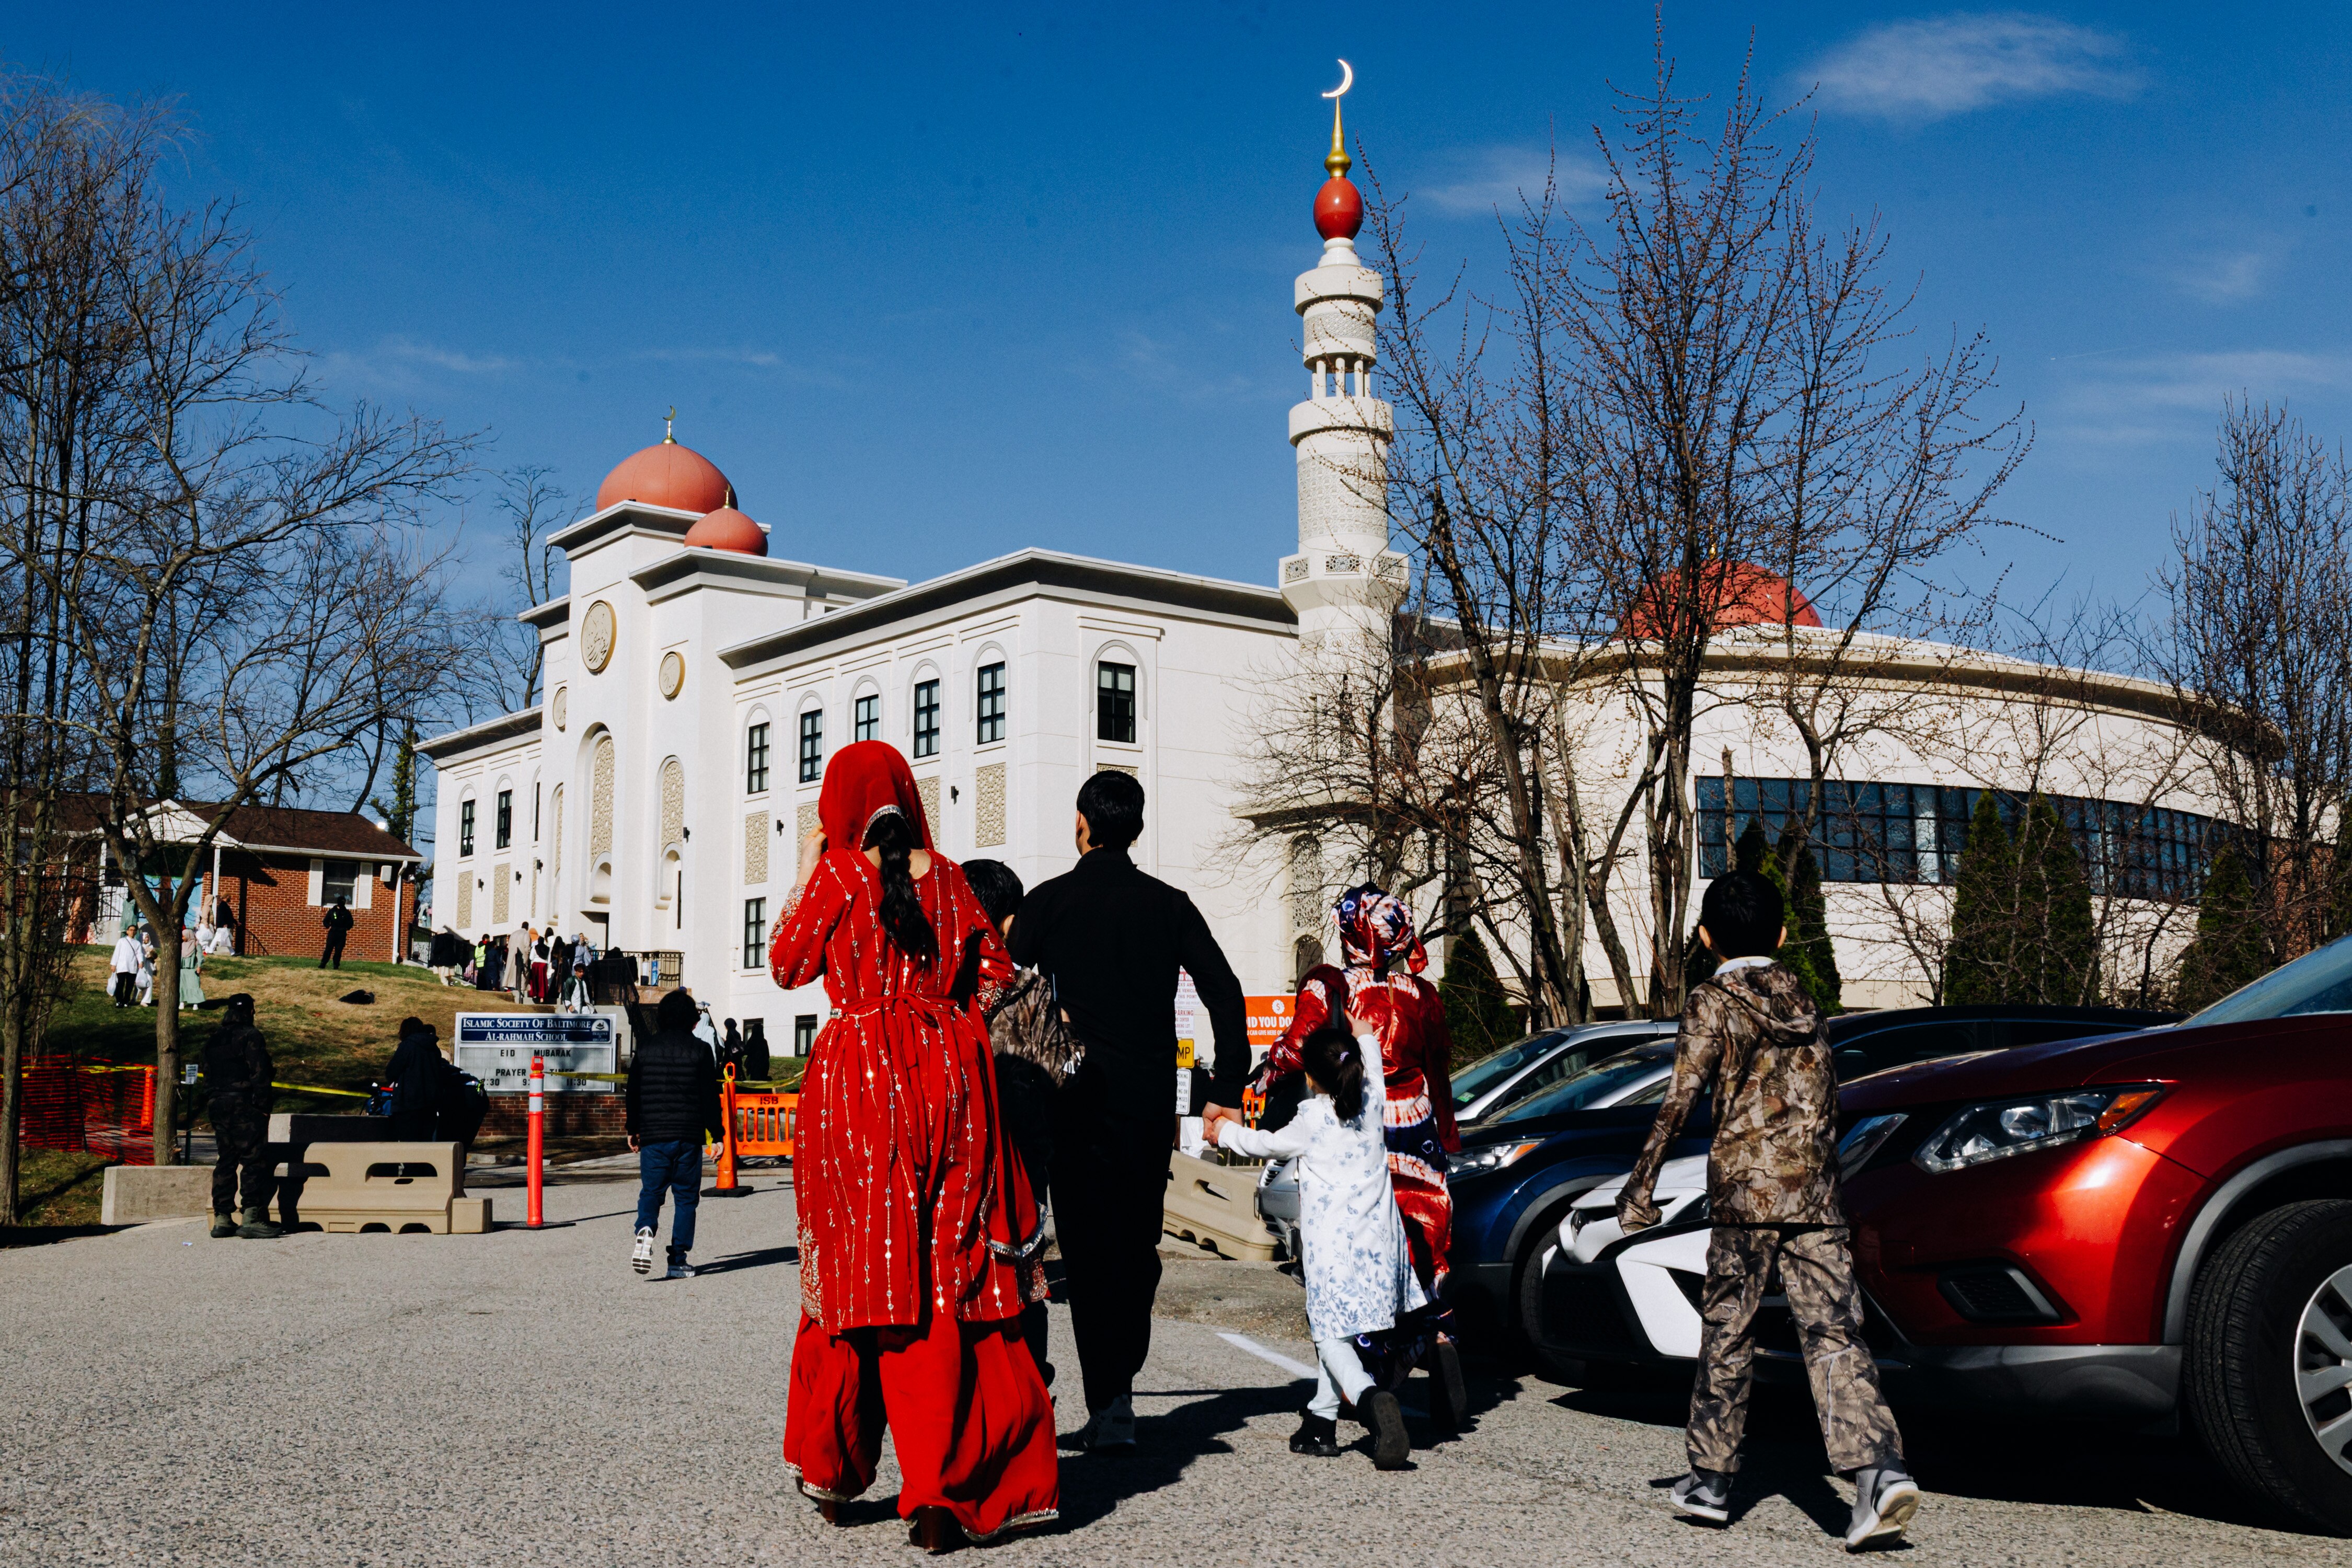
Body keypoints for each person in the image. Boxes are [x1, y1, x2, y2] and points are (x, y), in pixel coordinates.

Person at [773, 740, 1056, 1549]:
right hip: (949, 1078)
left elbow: (790, 965)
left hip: (859, 1085)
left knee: (855, 1274)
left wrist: (807, 865)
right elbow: (1000, 975)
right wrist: (942, 1012)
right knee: (949, 1277)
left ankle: (833, 1469)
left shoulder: (839, 875)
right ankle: (938, 1493)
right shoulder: (956, 879)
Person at [1617, 869, 1919, 1549]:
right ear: (1782, 935)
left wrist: (1641, 1185)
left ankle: (1712, 1481)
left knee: (1728, 1332)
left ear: (1704, 937)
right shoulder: (1807, 997)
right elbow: (1831, 1099)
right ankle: (1880, 1472)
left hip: (1746, 1194)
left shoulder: (1712, 999)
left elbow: (1680, 1097)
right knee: (1835, 1334)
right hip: (1814, 1190)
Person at [1006, 769, 1249, 1452]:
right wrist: (1226, 1087)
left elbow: (1008, 994)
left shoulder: (1047, 905)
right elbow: (1224, 991)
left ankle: (1110, 1401)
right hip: (1147, 1106)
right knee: (1136, 1251)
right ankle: (1120, 1390)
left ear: (1081, 823)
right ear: (1136, 829)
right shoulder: (1169, 905)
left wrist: (1039, 1066)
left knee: (1086, 1255)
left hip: (1073, 1104)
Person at [1247, 885, 1463, 1403]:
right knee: (1425, 1251)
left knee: (1361, 1257)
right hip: (1422, 1130)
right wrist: (1446, 1139)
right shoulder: (1425, 995)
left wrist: (1263, 1076)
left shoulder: (1330, 984)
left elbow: (1300, 1046)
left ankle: (1369, 1378)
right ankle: (1437, 1333)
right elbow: (1441, 1074)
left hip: (1362, 1125)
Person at [1207, 1008, 1421, 1469]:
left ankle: (1370, 1402)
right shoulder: (1373, 1098)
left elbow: (1263, 1145)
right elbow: (1368, 1050)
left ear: (1309, 1077)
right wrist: (1363, 1033)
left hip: (1334, 1252)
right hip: (1382, 1248)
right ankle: (1321, 1424)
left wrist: (1223, 1129)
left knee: (1329, 1337)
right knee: (1340, 1330)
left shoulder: (1312, 1119)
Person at [963, 857, 1075, 1388]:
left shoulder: (941, 988)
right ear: (1007, 919)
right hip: (1022, 1158)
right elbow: (1057, 1073)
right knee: (1025, 1275)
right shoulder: (1027, 987)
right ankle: (1030, 1388)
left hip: (955, 1158)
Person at [625, 988, 724, 1280]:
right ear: (693, 1021)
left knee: (652, 1193)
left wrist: (634, 1129)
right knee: (686, 1199)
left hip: (654, 1135)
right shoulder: (701, 1051)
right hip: (688, 1135)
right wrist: (717, 1135)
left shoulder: (645, 1049)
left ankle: (645, 1228)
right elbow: (710, 1096)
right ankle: (678, 1260)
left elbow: (634, 1093)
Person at [202, 994, 283, 1240]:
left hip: (218, 1103)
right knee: (253, 1159)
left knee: (226, 1159)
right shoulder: (250, 1035)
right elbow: (260, 1073)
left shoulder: (213, 1039)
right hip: (245, 1103)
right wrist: (264, 1106)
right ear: (251, 1011)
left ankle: (223, 1217)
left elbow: (207, 1073)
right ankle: (252, 1216)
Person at [386, 1017, 445, 1140]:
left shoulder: (407, 1046)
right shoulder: (434, 1049)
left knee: (409, 1144)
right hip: (431, 1104)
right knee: (425, 1143)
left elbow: (392, 1071)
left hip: (409, 1104)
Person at [108, 926, 142, 1009]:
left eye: (134, 931)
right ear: (127, 932)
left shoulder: (137, 943)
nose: (132, 932)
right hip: (122, 966)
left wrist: (141, 962)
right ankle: (119, 1001)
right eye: (131, 930)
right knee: (120, 984)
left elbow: (139, 954)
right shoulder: (122, 941)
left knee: (130, 985)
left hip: (132, 967)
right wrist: (114, 964)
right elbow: (117, 952)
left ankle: (126, 1001)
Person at [319, 894, 353, 969]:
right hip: (333, 933)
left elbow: (351, 923)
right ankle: (323, 964)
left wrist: (346, 928)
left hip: (342, 934)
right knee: (328, 949)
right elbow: (326, 921)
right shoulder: (332, 911)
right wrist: (328, 926)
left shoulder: (347, 913)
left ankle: (336, 965)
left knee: (339, 950)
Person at [177, 923, 205, 1010]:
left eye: (183, 936)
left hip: (193, 968)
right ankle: (182, 1002)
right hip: (183, 968)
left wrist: (199, 966)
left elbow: (200, 955)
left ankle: (195, 1003)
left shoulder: (196, 944)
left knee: (194, 985)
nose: (182, 938)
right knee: (182, 985)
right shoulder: (182, 945)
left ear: (188, 935)